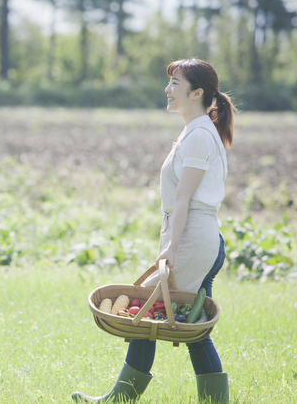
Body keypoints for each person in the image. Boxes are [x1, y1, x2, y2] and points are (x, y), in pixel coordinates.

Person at [72, 58, 236, 404]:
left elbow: (183, 199)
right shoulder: (196, 130)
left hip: (193, 239)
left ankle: (120, 399)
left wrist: (172, 246)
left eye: (175, 83)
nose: (167, 89)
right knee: (193, 328)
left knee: (145, 315)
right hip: (198, 238)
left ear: (197, 93)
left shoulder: (200, 136)